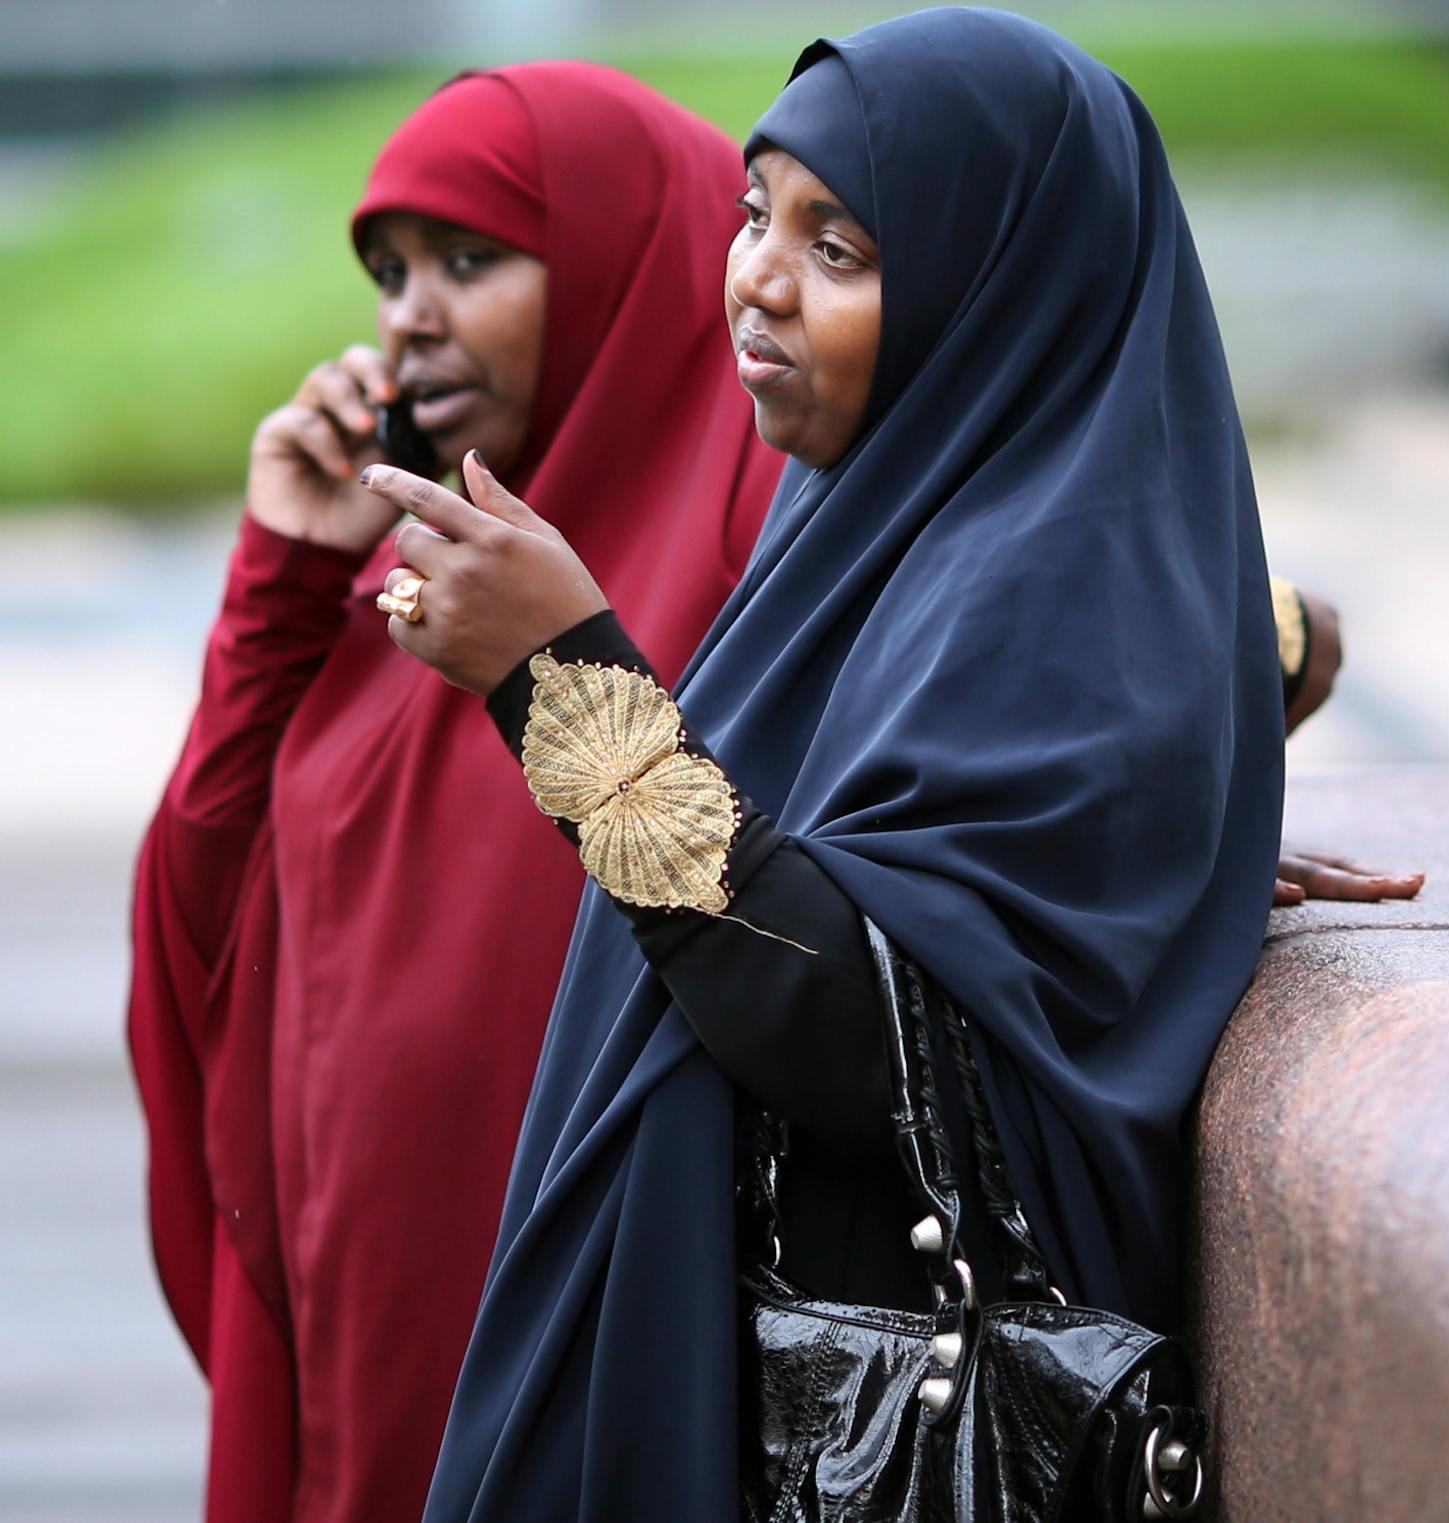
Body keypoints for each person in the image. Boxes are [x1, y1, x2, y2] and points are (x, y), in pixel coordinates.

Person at [354, 13, 1292, 1515]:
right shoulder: (864, 526)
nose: (757, 281)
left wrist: (563, 687)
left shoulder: (1056, 582)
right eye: (752, 214)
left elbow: (868, 1032)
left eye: (838, 246)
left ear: (1000, 292)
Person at [126, 64, 783, 1523]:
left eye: (471, 260)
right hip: (365, 1329)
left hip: (599, 1324)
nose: (409, 313)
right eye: (389, 270)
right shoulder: (412, 572)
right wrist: (284, 573)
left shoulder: (759, 544)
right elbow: (213, 908)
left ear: (627, 257)